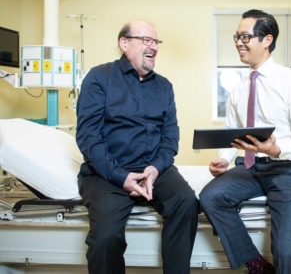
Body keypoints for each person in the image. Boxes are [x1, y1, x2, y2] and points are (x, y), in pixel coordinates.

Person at [199, 10, 291, 274]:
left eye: (245, 37)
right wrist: (224, 158)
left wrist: (277, 149)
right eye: (236, 37)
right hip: (251, 168)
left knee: (287, 253)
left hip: (290, 170)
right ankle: (255, 263)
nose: (238, 43)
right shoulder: (239, 89)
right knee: (210, 197)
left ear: (267, 40)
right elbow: (232, 131)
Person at [76, 20, 199, 274]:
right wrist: (121, 177)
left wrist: (156, 168)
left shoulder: (164, 86)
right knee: (106, 238)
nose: (153, 46)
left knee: (186, 202)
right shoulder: (99, 78)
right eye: (146, 40)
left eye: (156, 42)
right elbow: (88, 137)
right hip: (108, 172)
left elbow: (170, 137)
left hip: (154, 169)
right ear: (124, 43)